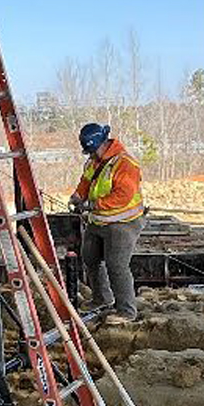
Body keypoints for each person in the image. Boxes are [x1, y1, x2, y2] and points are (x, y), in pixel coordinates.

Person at [69, 121, 145, 320]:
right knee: (90, 258)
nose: (90, 155)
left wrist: (94, 205)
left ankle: (126, 311)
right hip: (99, 221)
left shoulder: (125, 164)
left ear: (102, 144)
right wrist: (78, 196)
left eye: (92, 151)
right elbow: (86, 181)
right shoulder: (95, 161)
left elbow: (123, 195)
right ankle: (102, 298)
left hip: (123, 222)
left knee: (117, 266)